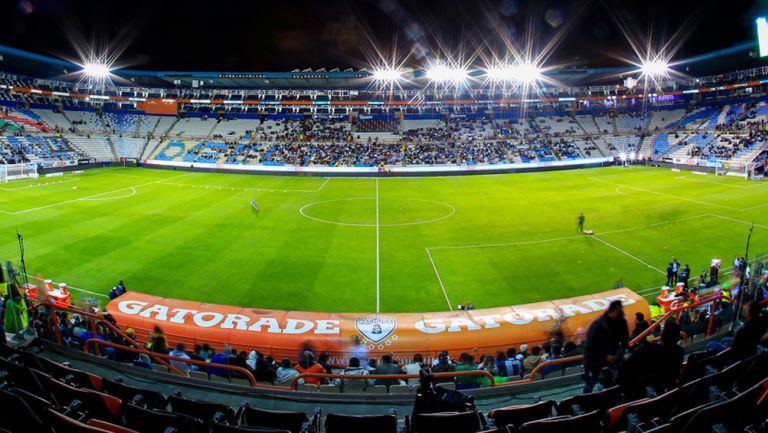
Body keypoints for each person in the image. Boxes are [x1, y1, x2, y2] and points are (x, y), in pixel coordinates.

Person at [618, 321, 684, 399]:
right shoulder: (679, 351)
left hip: (648, 392)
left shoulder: (649, 348)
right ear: (677, 337)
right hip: (669, 392)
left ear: (663, 334)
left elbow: (625, 365)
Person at [582, 300, 629, 393]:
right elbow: (590, 344)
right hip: (596, 361)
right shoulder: (598, 324)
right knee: (590, 384)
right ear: (612, 311)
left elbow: (625, 343)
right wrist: (604, 357)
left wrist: (616, 356)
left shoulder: (621, 322)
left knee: (613, 383)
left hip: (613, 360)